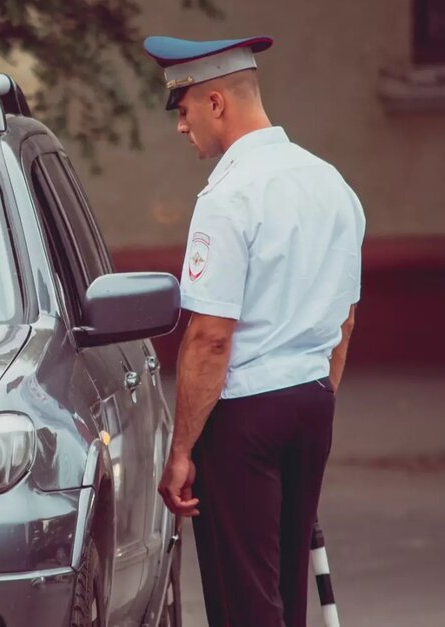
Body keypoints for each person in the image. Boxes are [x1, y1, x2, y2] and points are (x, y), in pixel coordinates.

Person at [146, 35, 365, 627]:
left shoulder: (229, 195)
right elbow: (344, 321)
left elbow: (210, 337)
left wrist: (182, 450)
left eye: (184, 109)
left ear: (216, 102)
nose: (181, 126)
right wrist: (316, 400)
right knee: (287, 594)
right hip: (311, 403)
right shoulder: (332, 184)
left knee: (245, 601)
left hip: (244, 416)